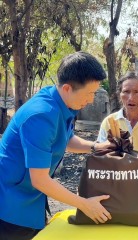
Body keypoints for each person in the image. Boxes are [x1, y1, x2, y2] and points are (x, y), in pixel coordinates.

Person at [0, 51, 115, 240]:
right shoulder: (42, 115)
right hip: (11, 204)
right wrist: (84, 204)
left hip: (29, 199)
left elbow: (66, 139)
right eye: (89, 93)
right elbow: (40, 180)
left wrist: (96, 147)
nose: (91, 100)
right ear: (68, 88)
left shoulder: (58, 100)